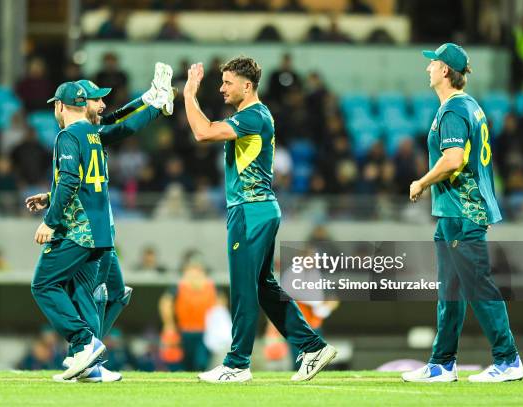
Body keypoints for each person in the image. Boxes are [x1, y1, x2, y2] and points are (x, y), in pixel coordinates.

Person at [183, 56, 336, 383]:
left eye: (227, 82)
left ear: (247, 85)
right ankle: (312, 347)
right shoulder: (251, 116)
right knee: (264, 287)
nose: (222, 88)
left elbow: (202, 132)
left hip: (250, 210)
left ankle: (237, 363)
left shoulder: (253, 116)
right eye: (221, 82)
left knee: (243, 287)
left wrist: (188, 94)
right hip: (257, 210)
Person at [26, 64, 174, 382]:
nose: (102, 105)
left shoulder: (69, 135)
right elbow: (119, 127)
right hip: (99, 229)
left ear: (61, 106)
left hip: (79, 230)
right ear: (85, 104)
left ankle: (84, 344)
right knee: (92, 292)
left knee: (44, 285)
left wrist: (50, 221)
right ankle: (89, 363)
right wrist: (153, 104)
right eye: (97, 99)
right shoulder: (93, 134)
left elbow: (70, 181)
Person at [403, 43, 523, 383]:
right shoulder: (470, 107)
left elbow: (454, 159)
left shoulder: (454, 111)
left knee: (478, 287)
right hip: (454, 213)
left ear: (445, 71)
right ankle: (442, 364)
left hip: (462, 211)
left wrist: (422, 182)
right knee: (450, 292)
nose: (427, 68)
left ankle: (508, 359)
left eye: (433, 64)